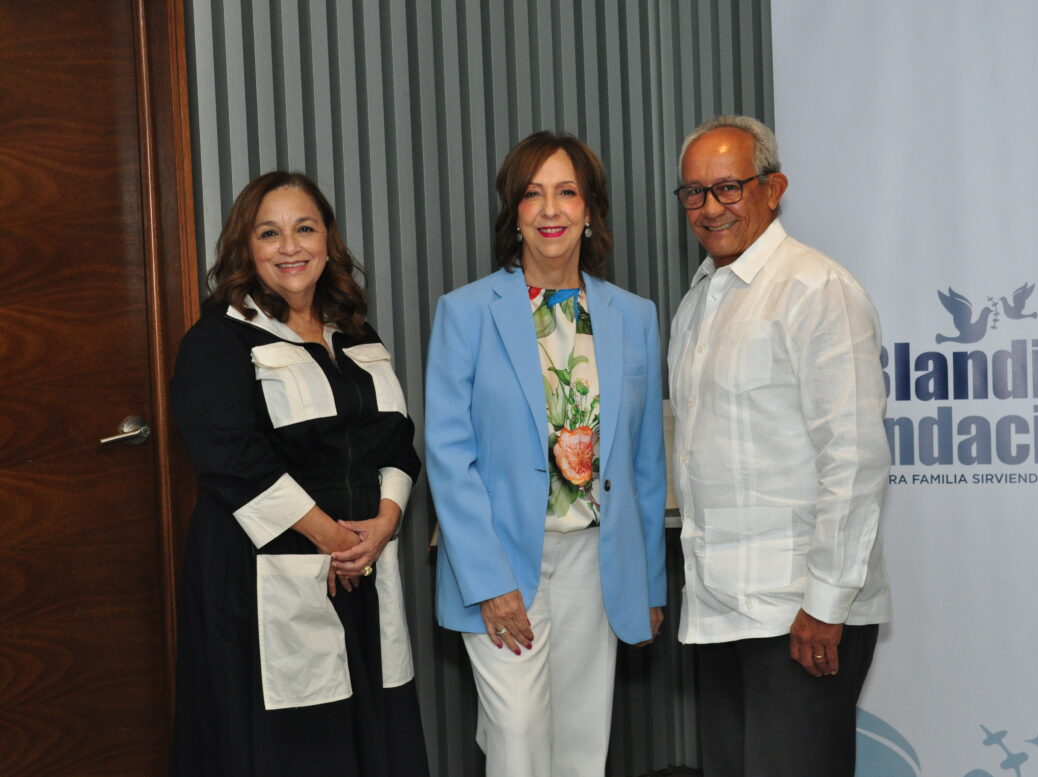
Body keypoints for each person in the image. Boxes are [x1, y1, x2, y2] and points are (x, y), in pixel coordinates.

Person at [171, 171, 429, 776]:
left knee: (366, 729)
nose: (290, 246)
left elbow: (397, 439)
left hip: (359, 567)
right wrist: (334, 538)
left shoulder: (356, 333)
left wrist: (385, 522)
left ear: (327, 241)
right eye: (269, 233)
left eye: (305, 229)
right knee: (292, 744)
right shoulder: (218, 339)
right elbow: (231, 461)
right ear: (246, 247)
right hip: (261, 579)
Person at [425, 131, 667, 777]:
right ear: (514, 212)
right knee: (520, 733)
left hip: (598, 562)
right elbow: (449, 457)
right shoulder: (465, 313)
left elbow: (645, 463)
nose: (551, 209)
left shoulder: (634, 317)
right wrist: (489, 582)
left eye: (567, 192)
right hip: (502, 561)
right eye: (533, 194)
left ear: (590, 211)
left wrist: (648, 579)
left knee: (582, 744)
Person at [667, 115, 892, 777]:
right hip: (721, 611)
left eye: (728, 187)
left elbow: (854, 458)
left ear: (773, 188)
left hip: (800, 615)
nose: (711, 207)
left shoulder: (816, 290)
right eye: (694, 192)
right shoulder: (696, 304)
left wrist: (825, 603)